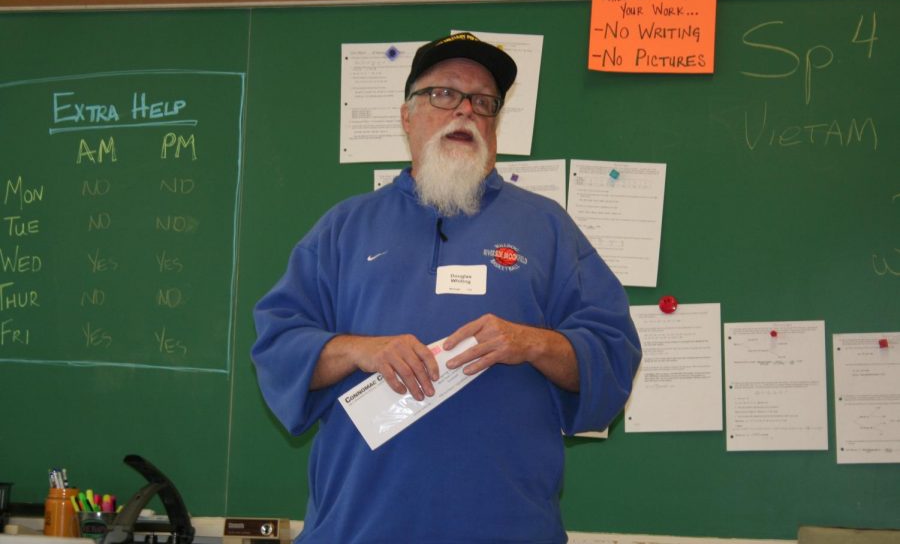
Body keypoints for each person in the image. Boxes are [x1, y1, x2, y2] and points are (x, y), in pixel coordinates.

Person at [251, 32, 642, 544]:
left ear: (495, 125)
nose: (465, 111)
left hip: (509, 528)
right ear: (406, 116)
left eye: (483, 102)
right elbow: (277, 346)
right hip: (359, 529)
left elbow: (613, 353)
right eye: (443, 94)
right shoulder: (343, 229)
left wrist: (532, 342)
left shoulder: (547, 229)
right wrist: (359, 351)